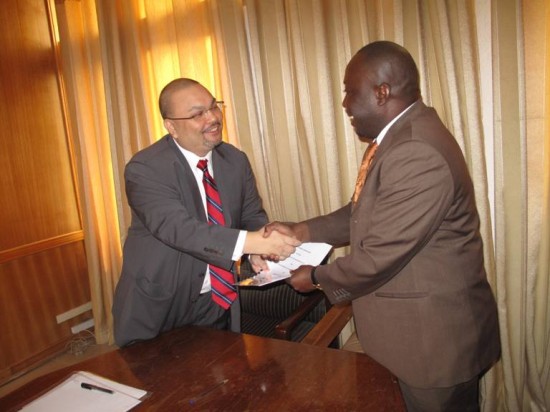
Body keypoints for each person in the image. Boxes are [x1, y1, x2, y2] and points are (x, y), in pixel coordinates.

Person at [265, 41, 500, 411]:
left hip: (432, 347)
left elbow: (380, 257)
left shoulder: (414, 150)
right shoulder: (397, 137)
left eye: (348, 91)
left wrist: (314, 277)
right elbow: (359, 213)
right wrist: (299, 230)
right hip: (408, 336)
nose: (344, 104)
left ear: (381, 92)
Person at [112, 78, 300, 347]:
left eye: (214, 106)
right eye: (198, 114)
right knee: (157, 384)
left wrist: (258, 245)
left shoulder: (234, 160)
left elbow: (251, 213)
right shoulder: (145, 168)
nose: (212, 118)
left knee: (219, 376)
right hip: (160, 302)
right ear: (171, 126)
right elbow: (178, 228)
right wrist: (252, 242)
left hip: (216, 299)